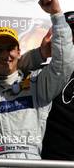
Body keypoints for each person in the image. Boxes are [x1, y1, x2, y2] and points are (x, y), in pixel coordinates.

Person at [0, 0, 74, 162]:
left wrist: (56, 15)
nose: (6, 55)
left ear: (19, 52)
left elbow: (64, 64)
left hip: (31, 162)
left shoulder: (37, 84)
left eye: (10, 48)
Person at [41, 11, 74, 160]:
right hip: (54, 162)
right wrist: (40, 54)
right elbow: (7, 71)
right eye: (68, 34)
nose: (72, 39)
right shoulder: (40, 76)